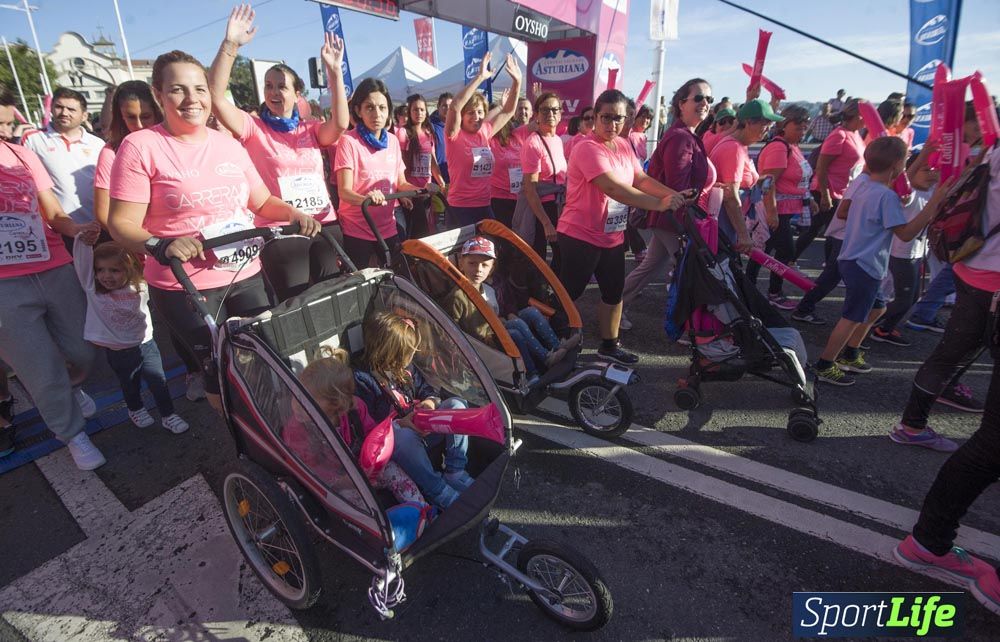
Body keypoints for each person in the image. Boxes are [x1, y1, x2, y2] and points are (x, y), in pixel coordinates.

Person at [107, 50, 321, 412]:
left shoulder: (228, 146)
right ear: (159, 95)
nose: (192, 99)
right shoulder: (141, 146)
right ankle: (242, 437)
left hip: (245, 270)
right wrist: (161, 244)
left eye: (200, 89)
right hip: (185, 284)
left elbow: (262, 201)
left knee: (265, 352)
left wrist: (293, 212)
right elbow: (120, 224)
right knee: (218, 367)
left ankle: (275, 420)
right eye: (178, 90)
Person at [209, 5, 349, 301]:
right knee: (295, 302)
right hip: (281, 231)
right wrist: (230, 45)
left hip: (324, 223)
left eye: (281, 86)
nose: (273, 92)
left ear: (297, 94)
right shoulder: (253, 127)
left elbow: (340, 124)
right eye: (268, 86)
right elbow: (216, 99)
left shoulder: (310, 129)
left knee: (333, 295)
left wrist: (335, 73)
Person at [558, 89, 687, 365]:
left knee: (613, 293)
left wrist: (672, 195)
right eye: (606, 117)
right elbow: (614, 188)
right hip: (579, 234)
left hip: (612, 236)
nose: (612, 124)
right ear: (595, 116)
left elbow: (639, 178)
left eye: (618, 118)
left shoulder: (624, 145)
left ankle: (609, 344)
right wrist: (659, 204)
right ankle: (554, 340)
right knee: (569, 293)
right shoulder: (586, 147)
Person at [811, 137, 950, 387]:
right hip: (864, 264)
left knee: (878, 309)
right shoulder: (886, 197)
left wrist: (923, 154)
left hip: (856, 259)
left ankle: (851, 353)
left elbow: (901, 179)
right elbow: (906, 233)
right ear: (897, 164)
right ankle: (824, 364)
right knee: (852, 317)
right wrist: (933, 204)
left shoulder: (864, 186)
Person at [0, 137, 104, 469]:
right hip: (5, 286)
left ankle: (72, 387)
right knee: (38, 366)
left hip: (54, 265)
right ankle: (73, 434)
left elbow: (54, 212)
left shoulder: (20, 153)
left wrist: (77, 228)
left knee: (83, 349)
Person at [889, 141, 999, 450]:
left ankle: (913, 424)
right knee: (950, 351)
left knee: (950, 352)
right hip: (988, 277)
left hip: (972, 264)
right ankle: (985, 451)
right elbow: (905, 228)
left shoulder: (988, 154)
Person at [621, 78, 717, 332]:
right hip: (674, 218)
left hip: (671, 217)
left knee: (651, 267)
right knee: (690, 271)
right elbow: (677, 188)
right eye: (698, 98)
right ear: (681, 103)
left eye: (709, 99)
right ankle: (692, 327)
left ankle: (614, 307)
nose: (705, 103)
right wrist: (690, 216)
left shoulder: (687, 135)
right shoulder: (680, 138)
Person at [353, 311, 473, 508]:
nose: (410, 359)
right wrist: (400, 423)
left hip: (423, 425)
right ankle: (438, 491)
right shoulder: (363, 379)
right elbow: (369, 426)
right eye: (405, 354)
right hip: (399, 441)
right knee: (403, 436)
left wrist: (430, 403)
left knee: (456, 405)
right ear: (386, 352)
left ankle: (455, 471)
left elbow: (427, 389)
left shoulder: (405, 366)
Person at [72, 239, 189, 433]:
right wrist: (83, 239)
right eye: (100, 270)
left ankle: (168, 415)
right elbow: (82, 262)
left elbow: (150, 258)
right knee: (129, 384)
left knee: (159, 382)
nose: (106, 276)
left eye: (114, 270)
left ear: (129, 269)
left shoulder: (141, 285)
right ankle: (135, 408)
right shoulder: (93, 289)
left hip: (146, 344)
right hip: (118, 350)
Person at [298, 348, 425, 505]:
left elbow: (373, 434)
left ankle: (421, 509)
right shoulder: (305, 426)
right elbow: (309, 466)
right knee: (352, 503)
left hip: (366, 470)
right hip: (340, 482)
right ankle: (381, 528)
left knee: (395, 473)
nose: (303, 401)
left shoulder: (356, 408)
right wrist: (341, 481)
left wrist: (375, 461)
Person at [447, 236, 569, 378]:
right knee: (516, 329)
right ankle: (536, 368)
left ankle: (556, 346)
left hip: (498, 326)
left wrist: (506, 316)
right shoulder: (458, 296)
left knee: (531, 312)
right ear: (461, 264)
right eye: (472, 263)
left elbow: (500, 308)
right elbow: (452, 327)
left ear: (491, 268)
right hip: (483, 340)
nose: (478, 269)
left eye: (484, 265)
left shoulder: (488, 289)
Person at [335, 78, 419, 269]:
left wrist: (422, 189)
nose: (377, 114)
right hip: (356, 230)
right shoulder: (349, 141)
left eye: (382, 107)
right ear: (358, 111)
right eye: (370, 108)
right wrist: (366, 198)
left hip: (387, 226)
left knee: (400, 278)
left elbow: (401, 183)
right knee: (360, 287)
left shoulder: (393, 141)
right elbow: (344, 192)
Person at [748, 104, 816, 310]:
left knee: (763, 252)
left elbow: (798, 179)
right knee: (784, 251)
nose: (803, 130)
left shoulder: (791, 146)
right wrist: (772, 213)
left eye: (805, 126)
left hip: (786, 211)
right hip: (776, 211)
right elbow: (768, 183)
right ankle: (771, 292)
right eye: (798, 126)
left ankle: (750, 289)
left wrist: (808, 198)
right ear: (784, 125)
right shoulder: (779, 147)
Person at [444, 52, 522, 228]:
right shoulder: (454, 135)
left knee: (491, 251)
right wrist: (480, 77)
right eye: (471, 112)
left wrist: (517, 82)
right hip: (460, 208)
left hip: (485, 205)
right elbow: (455, 105)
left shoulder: (485, 131)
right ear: (462, 116)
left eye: (480, 112)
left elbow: (509, 111)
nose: (476, 117)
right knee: (465, 255)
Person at [21, 87, 105, 245]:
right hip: (57, 230)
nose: (64, 113)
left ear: (84, 115)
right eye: (59, 107)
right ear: (51, 108)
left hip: (97, 228)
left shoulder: (98, 144)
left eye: (71, 109)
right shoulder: (33, 140)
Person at [870, 158, 937, 347]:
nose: (932, 173)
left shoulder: (931, 191)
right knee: (904, 299)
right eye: (927, 169)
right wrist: (925, 153)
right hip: (901, 253)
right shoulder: (909, 195)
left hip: (917, 252)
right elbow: (902, 183)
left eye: (935, 170)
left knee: (912, 297)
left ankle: (883, 326)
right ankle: (870, 323)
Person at [793, 99, 866, 262]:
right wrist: (825, 195)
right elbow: (822, 167)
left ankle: (799, 261)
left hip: (844, 192)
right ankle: (824, 267)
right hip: (828, 192)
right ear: (858, 116)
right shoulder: (839, 135)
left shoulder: (855, 135)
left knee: (825, 230)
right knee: (825, 231)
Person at [709, 98, 783, 253]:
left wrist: (765, 181)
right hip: (723, 222)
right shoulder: (734, 148)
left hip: (727, 220)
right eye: (765, 124)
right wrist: (743, 235)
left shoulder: (739, 146)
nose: (768, 129)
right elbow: (730, 195)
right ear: (749, 123)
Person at [520, 92, 567, 270]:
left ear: (561, 113)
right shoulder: (533, 143)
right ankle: (536, 294)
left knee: (562, 254)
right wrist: (546, 222)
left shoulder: (557, 140)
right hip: (541, 208)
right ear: (537, 115)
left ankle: (553, 292)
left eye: (555, 109)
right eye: (545, 110)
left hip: (559, 205)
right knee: (537, 257)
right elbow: (530, 189)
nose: (550, 114)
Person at [397, 93, 445, 239]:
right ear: (409, 112)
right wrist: (403, 192)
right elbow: (399, 163)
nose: (419, 113)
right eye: (415, 110)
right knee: (418, 231)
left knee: (427, 228)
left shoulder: (429, 132)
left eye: (422, 110)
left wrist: (441, 181)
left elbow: (432, 160)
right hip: (411, 192)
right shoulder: (403, 132)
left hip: (426, 190)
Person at [488, 116, 523, 229]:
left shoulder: (516, 137)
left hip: (520, 196)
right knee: (505, 237)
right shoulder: (490, 140)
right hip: (499, 197)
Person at [428, 92, 452, 183]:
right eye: (444, 106)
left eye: (450, 106)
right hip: (437, 179)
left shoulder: (457, 127)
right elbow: (430, 155)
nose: (448, 109)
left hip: (454, 178)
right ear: (438, 106)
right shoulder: (431, 126)